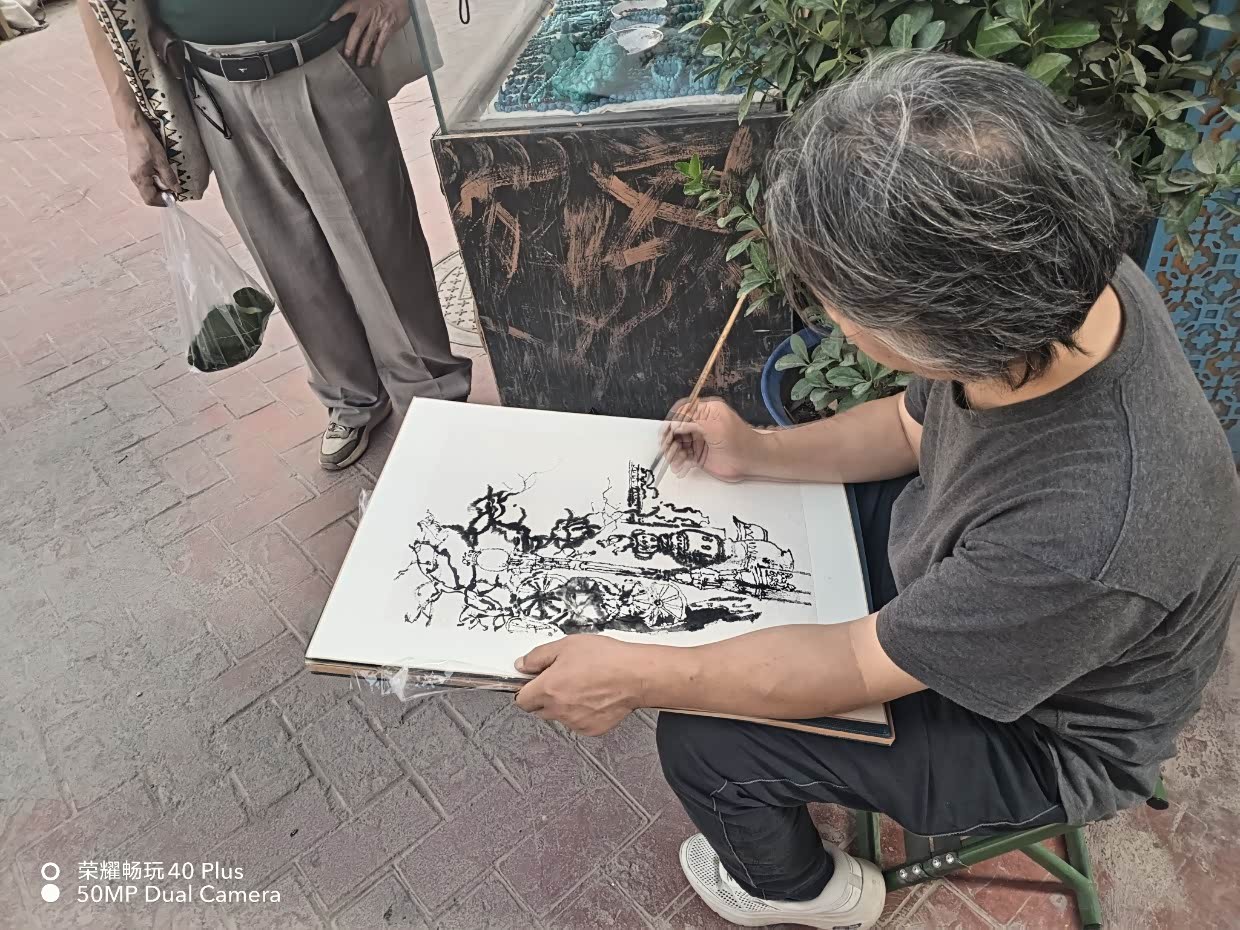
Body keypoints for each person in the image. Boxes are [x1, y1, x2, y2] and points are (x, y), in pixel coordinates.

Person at [509, 51, 1240, 930]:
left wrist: (638, 675)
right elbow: (909, 427)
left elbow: (858, 662)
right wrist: (759, 453)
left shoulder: (1087, 527)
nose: (829, 317)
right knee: (747, 559)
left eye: (836, 304)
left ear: (937, 332)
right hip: (976, 578)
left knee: (703, 738)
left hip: (1044, 735)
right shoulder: (1055, 283)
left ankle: (807, 894)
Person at [80, 0, 471, 470]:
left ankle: (431, 397)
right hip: (209, 86)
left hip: (319, 57)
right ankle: (349, 398)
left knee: (380, 248)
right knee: (288, 262)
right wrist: (130, 123)